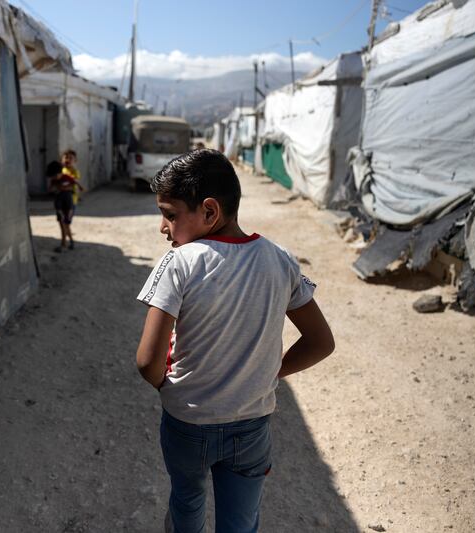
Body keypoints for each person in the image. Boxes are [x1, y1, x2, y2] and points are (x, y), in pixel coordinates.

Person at [135, 149, 335, 533]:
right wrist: (267, 373)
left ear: (210, 212)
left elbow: (148, 362)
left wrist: (171, 386)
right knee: (241, 521)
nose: (163, 226)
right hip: (252, 425)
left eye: (170, 214)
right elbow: (320, 342)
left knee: (187, 501)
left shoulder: (180, 262)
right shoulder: (281, 259)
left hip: (188, 423)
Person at [47, 159, 84, 252]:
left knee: (66, 224)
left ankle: (68, 242)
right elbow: (50, 189)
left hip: (69, 204)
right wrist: (56, 189)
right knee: (62, 224)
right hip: (59, 205)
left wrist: (78, 188)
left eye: (55, 175)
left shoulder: (67, 177)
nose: (55, 178)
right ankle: (66, 242)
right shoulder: (54, 181)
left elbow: (74, 183)